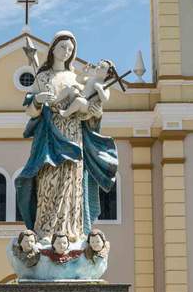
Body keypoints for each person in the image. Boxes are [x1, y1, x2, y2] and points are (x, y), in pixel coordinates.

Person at [15, 31, 119, 242]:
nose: (66, 52)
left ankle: (71, 232)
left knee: (72, 182)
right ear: (53, 48)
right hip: (49, 137)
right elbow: (30, 111)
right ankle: (45, 231)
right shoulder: (42, 77)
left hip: (73, 135)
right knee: (48, 182)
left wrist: (92, 110)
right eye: (63, 47)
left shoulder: (74, 77)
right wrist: (38, 99)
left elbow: (89, 111)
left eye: (70, 49)